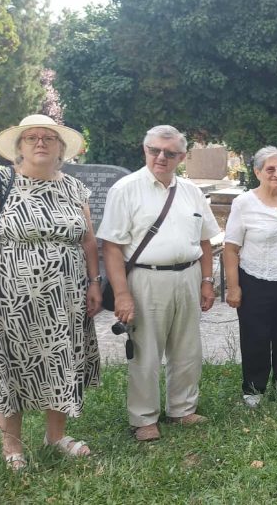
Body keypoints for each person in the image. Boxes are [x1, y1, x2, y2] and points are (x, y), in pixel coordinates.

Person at [0, 114, 101, 469]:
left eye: (48, 138)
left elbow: (87, 240)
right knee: (10, 363)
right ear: (19, 147)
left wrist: (94, 282)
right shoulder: (0, 180)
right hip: (9, 295)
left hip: (65, 297)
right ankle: (13, 447)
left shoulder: (74, 188)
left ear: (60, 148)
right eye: (31, 137)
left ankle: (55, 436)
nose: (40, 142)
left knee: (60, 360)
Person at [98, 125, 220, 442]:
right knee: (145, 352)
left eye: (170, 153)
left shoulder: (192, 192)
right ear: (145, 150)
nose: (161, 157)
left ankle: (182, 408)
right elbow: (111, 247)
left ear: (181, 156)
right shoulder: (125, 190)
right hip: (146, 279)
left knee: (187, 348)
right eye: (154, 150)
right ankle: (144, 418)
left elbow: (205, 241)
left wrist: (207, 281)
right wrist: (122, 294)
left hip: (189, 276)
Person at [224, 146, 277, 408]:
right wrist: (233, 287)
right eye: (270, 169)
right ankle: (254, 388)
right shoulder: (244, 203)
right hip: (256, 279)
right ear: (257, 172)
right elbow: (231, 248)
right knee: (256, 335)